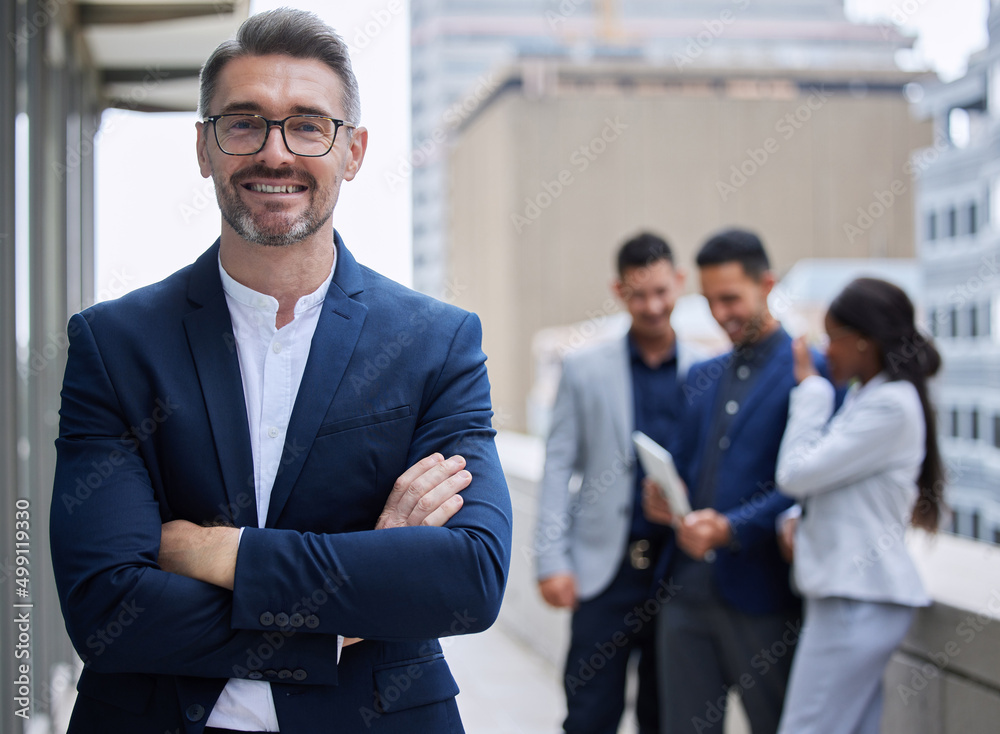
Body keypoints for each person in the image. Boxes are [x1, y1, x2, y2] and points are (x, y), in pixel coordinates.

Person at [49, 9, 512, 733]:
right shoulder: (115, 344)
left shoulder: (437, 343)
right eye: (243, 123)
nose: (275, 152)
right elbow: (108, 608)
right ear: (204, 148)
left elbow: (468, 580)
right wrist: (352, 607)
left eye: (307, 125)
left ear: (353, 151)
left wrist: (217, 551)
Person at [644, 228, 826, 734]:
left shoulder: (809, 370)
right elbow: (681, 461)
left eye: (731, 299)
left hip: (763, 594)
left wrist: (731, 528)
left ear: (766, 285)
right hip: (683, 591)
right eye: (710, 301)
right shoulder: (703, 375)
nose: (721, 314)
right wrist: (661, 494)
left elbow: (807, 483)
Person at [534, 233, 702, 734]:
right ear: (619, 290)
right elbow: (558, 465)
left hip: (678, 569)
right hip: (602, 572)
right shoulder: (585, 369)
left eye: (661, 292)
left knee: (666, 714)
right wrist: (550, 559)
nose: (652, 306)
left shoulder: (706, 371)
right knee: (589, 714)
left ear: (679, 283)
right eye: (638, 294)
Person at [774, 277, 944, 734]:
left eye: (834, 339)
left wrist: (809, 389)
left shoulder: (890, 405)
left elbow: (794, 473)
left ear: (864, 343)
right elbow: (840, 482)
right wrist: (797, 518)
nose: (828, 351)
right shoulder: (869, 396)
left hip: (858, 598)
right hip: (853, 597)